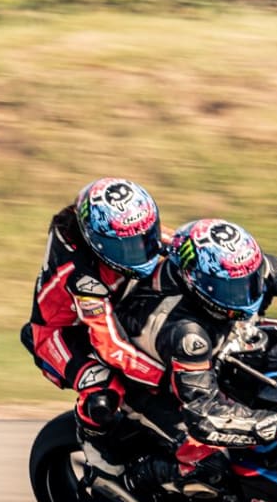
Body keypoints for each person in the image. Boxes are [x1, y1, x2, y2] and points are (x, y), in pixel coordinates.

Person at [114, 218, 277, 497]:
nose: (246, 292)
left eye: (248, 281)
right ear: (197, 283)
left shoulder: (235, 270)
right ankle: (134, 481)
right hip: (154, 387)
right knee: (213, 463)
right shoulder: (187, 334)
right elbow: (205, 417)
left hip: (213, 355)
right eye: (233, 288)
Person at [23, 178, 168, 477]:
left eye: (144, 238)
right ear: (97, 242)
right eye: (128, 246)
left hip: (109, 305)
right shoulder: (80, 273)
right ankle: (98, 456)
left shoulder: (120, 230)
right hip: (61, 334)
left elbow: (174, 243)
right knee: (102, 390)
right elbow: (110, 346)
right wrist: (163, 378)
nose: (140, 250)